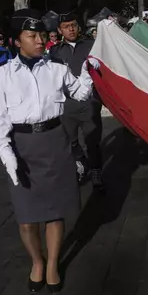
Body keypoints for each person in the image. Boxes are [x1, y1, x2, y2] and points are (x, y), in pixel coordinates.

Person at [0, 9, 98, 294]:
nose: (40, 41)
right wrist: (7, 155)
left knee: (55, 211)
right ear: (16, 41)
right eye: (32, 35)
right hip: (22, 149)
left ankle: (52, 266)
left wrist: (87, 74)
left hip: (55, 142)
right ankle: (37, 261)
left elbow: (82, 93)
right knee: (27, 216)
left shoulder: (57, 69)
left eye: (42, 35)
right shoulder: (1, 77)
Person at [49, 12, 104, 189]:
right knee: (69, 141)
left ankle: (96, 172)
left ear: (78, 26)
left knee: (92, 141)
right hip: (67, 105)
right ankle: (81, 162)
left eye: (73, 24)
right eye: (66, 26)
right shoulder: (55, 52)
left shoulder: (92, 45)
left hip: (90, 103)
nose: (71, 29)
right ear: (59, 30)